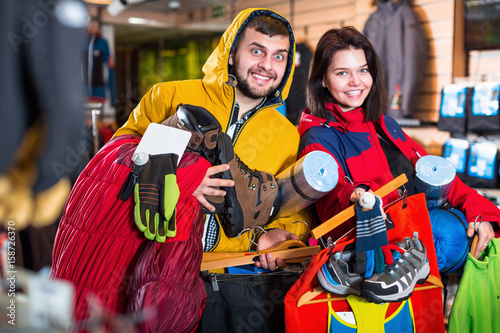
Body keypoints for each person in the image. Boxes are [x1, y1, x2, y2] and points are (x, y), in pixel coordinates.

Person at [51, 8, 310, 332]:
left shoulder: (287, 134)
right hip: (149, 268)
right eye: (256, 51)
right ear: (232, 54)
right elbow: (111, 164)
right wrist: (184, 175)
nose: (267, 66)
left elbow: (294, 212)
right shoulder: (169, 96)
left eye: (279, 56)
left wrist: (278, 236)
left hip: (231, 278)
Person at [297, 26, 498, 259]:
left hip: (414, 253)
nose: (356, 82)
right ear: (323, 79)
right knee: (448, 236)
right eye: (342, 73)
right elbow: (333, 213)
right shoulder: (319, 138)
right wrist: (358, 197)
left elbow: (435, 174)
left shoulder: (384, 124)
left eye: (363, 70)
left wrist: (479, 212)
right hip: (376, 262)